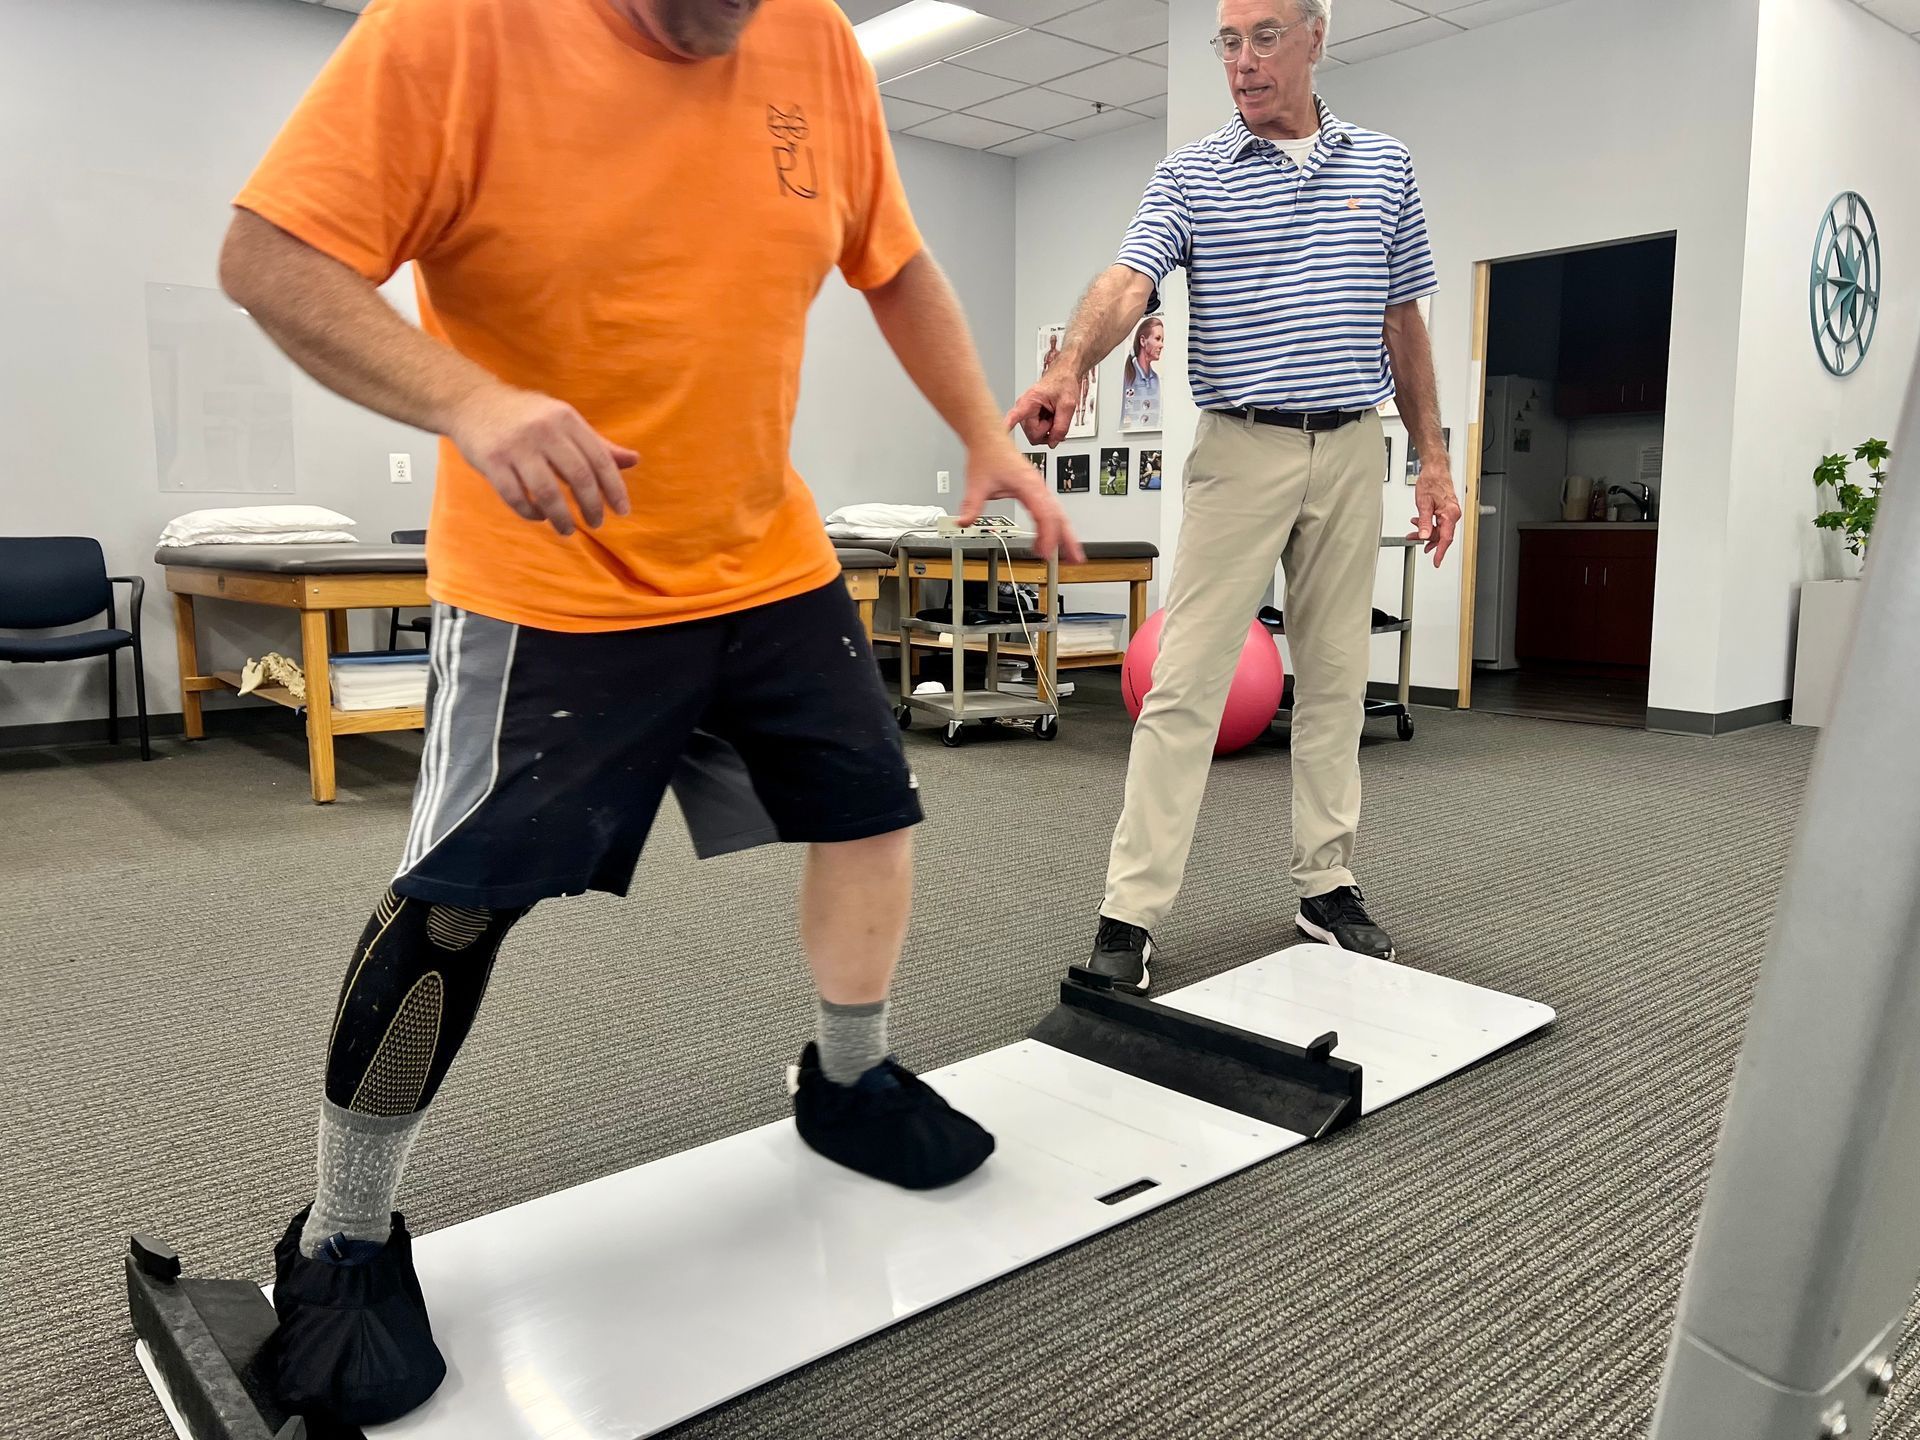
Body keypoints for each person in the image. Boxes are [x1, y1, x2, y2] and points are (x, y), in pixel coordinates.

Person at [218, 0, 1080, 1424]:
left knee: (871, 816)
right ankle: (345, 1239)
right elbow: (267, 257)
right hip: (550, 578)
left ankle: (848, 1084)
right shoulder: (453, 30)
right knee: (457, 907)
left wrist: (987, 432)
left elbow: (900, 262)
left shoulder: (809, 44)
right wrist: (472, 403)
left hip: (768, 556)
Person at [1008, 0, 1460, 993]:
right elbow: (1128, 282)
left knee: (1337, 678)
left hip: (1350, 447)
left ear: (1315, 37)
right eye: (1227, 41)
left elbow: (1406, 325)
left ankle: (1325, 885)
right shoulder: (1192, 175)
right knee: (1185, 684)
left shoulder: (1384, 168)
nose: (1242, 61)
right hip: (1239, 449)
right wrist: (1073, 362)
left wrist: (1432, 459)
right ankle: (1129, 912)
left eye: (1263, 37)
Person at [1121, 315, 1165, 430]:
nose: (1162, 345)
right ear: (1142, 341)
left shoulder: (1156, 379)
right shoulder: (1128, 377)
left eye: (1162, 340)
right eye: (1157, 338)